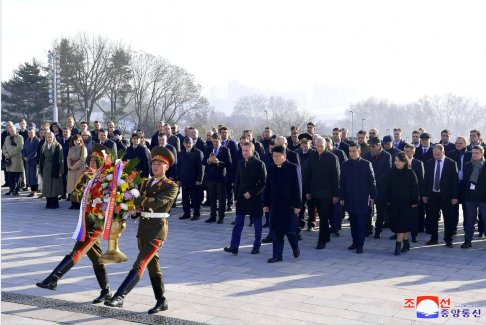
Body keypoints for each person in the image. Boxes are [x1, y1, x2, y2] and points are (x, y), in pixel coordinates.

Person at [36, 144, 113, 305]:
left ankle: (53, 278)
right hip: (86, 221)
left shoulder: (108, 179)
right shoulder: (87, 176)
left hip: (96, 224)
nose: (92, 163)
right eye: (91, 160)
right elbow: (77, 195)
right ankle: (106, 291)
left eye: (95, 161)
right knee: (97, 259)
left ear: (102, 162)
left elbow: (110, 203)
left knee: (77, 251)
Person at [105, 146, 178, 314]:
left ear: (167, 167)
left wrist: (136, 199)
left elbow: (156, 202)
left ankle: (119, 296)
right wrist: (127, 207)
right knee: (153, 266)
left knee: (140, 263)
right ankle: (161, 300)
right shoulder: (145, 182)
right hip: (143, 229)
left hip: (157, 230)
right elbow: (139, 204)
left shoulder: (171, 186)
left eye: (160, 163)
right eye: (154, 163)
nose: (155, 166)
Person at [224, 142, 266, 255]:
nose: (245, 153)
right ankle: (234, 246)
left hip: (255, 199)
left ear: (252, 151)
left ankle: (257, 245)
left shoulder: (259, 164)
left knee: (257, 224)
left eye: (247, 150)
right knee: (238, 223)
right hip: (241, 198)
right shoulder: (240, 163)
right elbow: (238, 181)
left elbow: (263, 182)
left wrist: (252, 193)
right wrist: (236, 197)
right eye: (243, 150)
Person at [263, 145, 301, 263]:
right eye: (273, 156)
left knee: (290, 231)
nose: (275, 158)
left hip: (289, 205)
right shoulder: (271, 168)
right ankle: (277, 256)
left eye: (277, 156)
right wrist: (265, 204)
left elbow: (298, 187)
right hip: (275, 205)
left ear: (284, 156)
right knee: (275, 232)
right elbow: (267, 187)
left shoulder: (293, 168)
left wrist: (298, 205)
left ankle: (295, 247)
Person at [304, 137, 340, 249]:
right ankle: (326, 236)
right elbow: (307, 174)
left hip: (327, 192)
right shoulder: (312, 156)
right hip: (315, 192)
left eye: (321, 146)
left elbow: (336, 177)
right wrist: (308, 191)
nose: (319, 148)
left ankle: (321, 240)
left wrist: (336, 194)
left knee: (323, 217)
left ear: (326, 145)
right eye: (317, 146)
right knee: (321, 214)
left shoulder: (332, 157)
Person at [340, 143, 377, 254]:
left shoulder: (366, 164)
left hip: (362, 198)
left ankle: (360, 244)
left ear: (359, 151)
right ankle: (354, 242)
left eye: (354, 151)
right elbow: (342, 182)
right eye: (350, 151)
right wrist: (342, 196)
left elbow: (372, 182)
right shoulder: (345, 164)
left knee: (361, 223)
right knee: (353, 223)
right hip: (350, 198)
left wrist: (373, 196)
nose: (351, 153)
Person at [423, 144, 459, 247]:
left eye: (438, 154)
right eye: (434, 154)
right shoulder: (430, 162)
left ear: (443, 152)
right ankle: (433, 238)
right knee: (432, 218)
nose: (436, 156)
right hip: (433, 194)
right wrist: (424, 194)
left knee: (448, 218)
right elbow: (426, 180)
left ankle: (448, 239)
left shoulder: (451, 163)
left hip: (446, 196)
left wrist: (454, 197)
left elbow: (454, 182)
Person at [386, 153, 419, 255]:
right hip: (395, 203)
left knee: (401, 225)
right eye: (395, 160)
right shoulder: (392, 172)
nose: (396, 163)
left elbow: (415, 189)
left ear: (405, 162)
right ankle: (406, 243)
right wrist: (387, 200)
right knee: (400, 226)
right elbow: (388, 188)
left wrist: (414, 201)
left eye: (399, 161)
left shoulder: (410, 172)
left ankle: (398, 246)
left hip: (407, 204)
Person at [363, 137, 392, 238]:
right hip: (369, 187)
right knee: (368, 209)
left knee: (380, 211)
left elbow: (387, 171)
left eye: (373, 146)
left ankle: (378, 230)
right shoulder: (366, 155)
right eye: (370, 146)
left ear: (379, 145)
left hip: (381, 187)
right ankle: (368, 228)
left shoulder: (387, 156)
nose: (371, 147)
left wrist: (375, 181)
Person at [203, 133, 232, 223]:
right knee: (212, 198)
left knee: (221, 198)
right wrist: (208, 161)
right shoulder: (208, 149)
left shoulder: (225, 150)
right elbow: (203, 161)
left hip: (221, 178)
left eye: (216, 141)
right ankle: (212, 216)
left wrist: (218, 162)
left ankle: (221, 217)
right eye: (213, 141)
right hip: (210, 177)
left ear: (220, 140)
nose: (214, 143)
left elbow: (229, 163)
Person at [461, 145, 486, 248]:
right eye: (473, 153)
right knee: (469, 220)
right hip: (470, 198)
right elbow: (465, 182)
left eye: (477, 153)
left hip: (484, 198)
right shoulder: (467, 165)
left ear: (482, 154)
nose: (474, 155)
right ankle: (468, 240)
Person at [177, 137, 204, 220]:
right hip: (184, 179)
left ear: (192, 143)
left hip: (194, 180)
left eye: (189, 143)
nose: (188, 145)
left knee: (195, 198)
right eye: (186, 143)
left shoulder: (198, 153)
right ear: (183, 144)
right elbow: (178, 167)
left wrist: (199, 179)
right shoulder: (181, 153)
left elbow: (201, 167)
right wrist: (178, 179)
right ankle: (186, 213)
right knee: (185, 198)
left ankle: (196, 214)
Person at [403, 144, 425, 243]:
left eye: (407, 151)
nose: (405, 153)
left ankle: (414, 234)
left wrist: (418, 194)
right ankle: (400, 233)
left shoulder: (418, 163)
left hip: (413, 194)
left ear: (413, 152)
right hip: (402, 194)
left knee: (414, 216)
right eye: (404, 151)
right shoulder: (400, 162)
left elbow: (421, 180)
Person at [295, 138, 316, 231]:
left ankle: (311, 223)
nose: (304, 145)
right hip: (300, 184)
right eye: (302, 144)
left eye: (306, 143)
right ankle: (300, 222)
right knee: (301, 205)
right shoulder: (298, 153)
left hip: (311, 183)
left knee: (311, 206)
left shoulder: (313, 154)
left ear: (310, 143)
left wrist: (310, 189)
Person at [39, 132, 64, 208]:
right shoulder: (44, 146)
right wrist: (40, 170)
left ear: (53, 137)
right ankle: (48, 202)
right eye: (48, 137)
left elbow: (61, 159)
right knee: (47, 186)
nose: (49, 138)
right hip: (46, 168)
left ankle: (55, 203)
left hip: (54, 168)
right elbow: (41, 159)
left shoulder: (57, 146)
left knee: (54, 186)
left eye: (51, 137)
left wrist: (60, 171)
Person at [66, 134, 88, 209]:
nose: (77, 142)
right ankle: (73, 203)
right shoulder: (71, 148)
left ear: (80, 140)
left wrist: (74, 166)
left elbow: (82, 160)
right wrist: (69, 166)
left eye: (78, 140)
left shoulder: (83, 148)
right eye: (75, 140)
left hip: (79, 169)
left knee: (78, 186)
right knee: (71, 187)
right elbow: (68, 158)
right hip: (71, 170)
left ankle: (78, 204)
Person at [2, 124, 24, 195]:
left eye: (13, 131)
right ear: (8, 131)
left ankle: (17, 190)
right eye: (10, 131)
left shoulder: (20, 137)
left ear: (16, 130)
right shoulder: (7, 138)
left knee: (17, 176)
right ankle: (11, 189)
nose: (12, 132)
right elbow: (4, 147)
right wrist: (5, 154)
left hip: (17, 160)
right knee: (10, 176)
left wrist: (10, 154)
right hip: (9, 160)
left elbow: (19, 148)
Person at [22, 127, 40, 197]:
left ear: (34, 133)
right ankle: (31, 190)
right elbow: (24, 149)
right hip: (27, 161)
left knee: (33, 176)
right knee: (28, 175)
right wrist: (24, 156)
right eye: (29, 133)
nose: (30, 134)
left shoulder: (37, 140)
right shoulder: (27, 140)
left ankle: (34, 191)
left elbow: (35, 151)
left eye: (32, 133)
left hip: (33, 161)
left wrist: (28, 157)